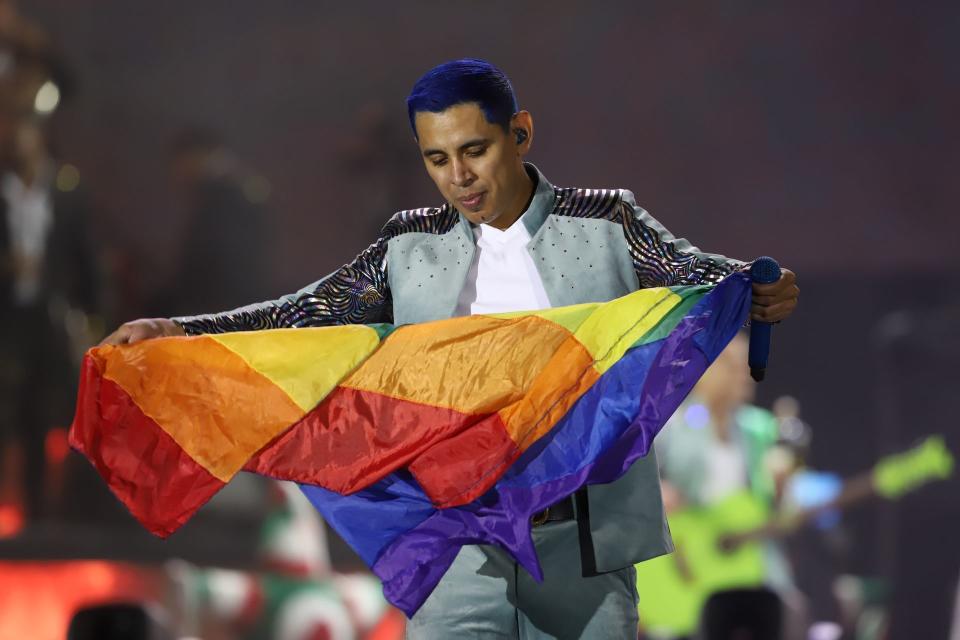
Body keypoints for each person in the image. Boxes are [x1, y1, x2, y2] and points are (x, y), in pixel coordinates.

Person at [102, 59, 799, 639]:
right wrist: (185, 331)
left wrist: (761, 287)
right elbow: (308, 309)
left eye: (475, 150)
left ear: (519, 134)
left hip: (585, 541)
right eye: (437, 158)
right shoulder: (409, 245)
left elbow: (704, 277)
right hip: (457, 536)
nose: (458, 176)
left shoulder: (606, 221)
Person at [655, 334, 808, 639]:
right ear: (704, 369)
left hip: (749, 559)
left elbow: (784, 513)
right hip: (689, 563)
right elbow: (638, 486)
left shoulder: (761, 429)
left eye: (746, 365)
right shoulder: (672, 426)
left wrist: (780, 490)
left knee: (792, 611)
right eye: (732, 365)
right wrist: (659, 495)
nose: (744, 373)